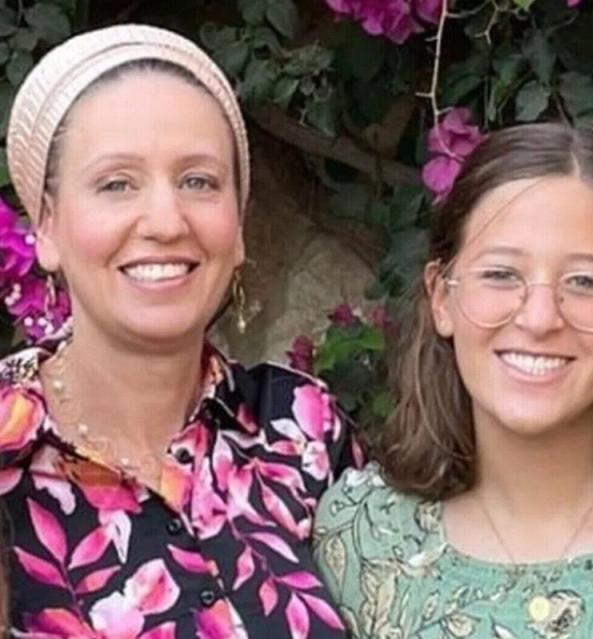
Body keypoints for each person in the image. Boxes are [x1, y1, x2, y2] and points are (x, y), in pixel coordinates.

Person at [0, 24, 355, 637]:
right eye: (117, 184)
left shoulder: (302, 427)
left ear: (239, 225)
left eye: (198, 181)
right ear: (47, 225)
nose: (165, 221)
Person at [312, 123, 593, 638]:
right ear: (442, 298)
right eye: (501, 274)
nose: (539, 318)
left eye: (584, 281)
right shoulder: (359, 538)